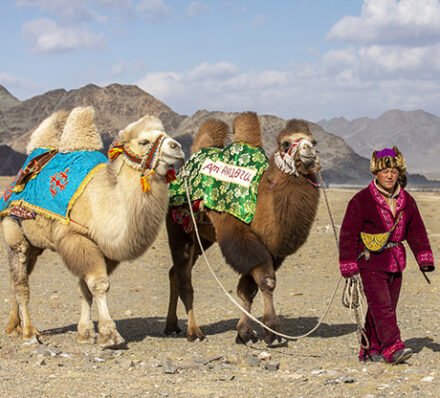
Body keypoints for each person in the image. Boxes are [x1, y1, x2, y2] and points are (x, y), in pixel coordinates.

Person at [339, 146, 434, 364]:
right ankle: (393, 347)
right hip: (370, 261)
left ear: (399, 172)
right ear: (376, 174)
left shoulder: (407, 200)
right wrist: (348, 263)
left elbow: (416, 230)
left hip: (397, 261)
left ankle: (371, 349)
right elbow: (348, 234)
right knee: (383, 307)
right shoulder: (361, 200)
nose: (389, 176)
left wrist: (424, 258)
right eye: (385, 171)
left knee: (382, 308)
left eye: (393, 171)